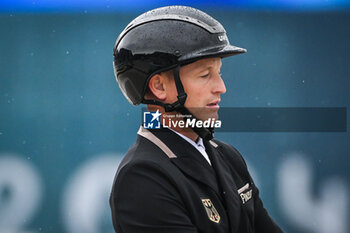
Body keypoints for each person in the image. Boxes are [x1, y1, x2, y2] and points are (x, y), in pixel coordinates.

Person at [110, 5, 284, 233]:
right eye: (205, 75)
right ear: (159, 86)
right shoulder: (141, 177)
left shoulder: (228, 157)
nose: (221, 88)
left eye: (218, 72)